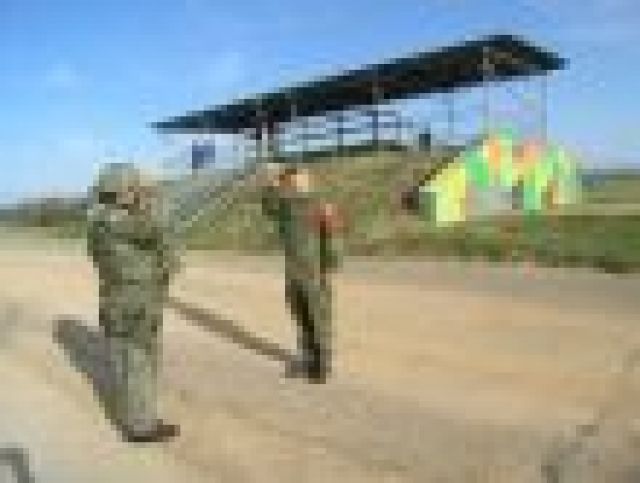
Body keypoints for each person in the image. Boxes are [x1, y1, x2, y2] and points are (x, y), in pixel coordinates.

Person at [87, 163, 180, 443]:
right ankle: (141, 427)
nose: (137, 192)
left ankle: (139, 416)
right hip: (133, 300)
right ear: (119, 191)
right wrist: (154, 198)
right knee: (137, 360)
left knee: (129, 360)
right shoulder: (116, 219)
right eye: (132, 188)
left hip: (119, 297)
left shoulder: (98, 219)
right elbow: (156, 227)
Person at [260, 163, 345, 383]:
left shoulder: (321, 206)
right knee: (300, 315)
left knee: (318, 316)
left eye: (294, 178)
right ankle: (307, 359)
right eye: (288, 179)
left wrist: (330, 264)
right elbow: (268, 208)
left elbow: (332, 235)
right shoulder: (286, 205)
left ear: (306, 180)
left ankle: (322, 364)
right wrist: (270, 182)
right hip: (293, 270)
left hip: (314, 270)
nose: (291, 182)